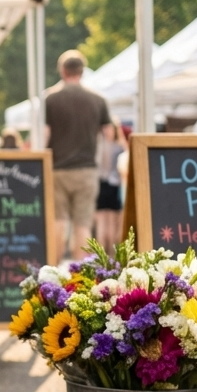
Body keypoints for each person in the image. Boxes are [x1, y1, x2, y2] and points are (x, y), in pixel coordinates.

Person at [44, 49, 114, 260]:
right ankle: (79, 275)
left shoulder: (51, 98)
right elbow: (109, 134)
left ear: (63, 71)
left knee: (59, 221)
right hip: (86, 169)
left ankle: (53, 271)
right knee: (83, 224)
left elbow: (44, 135)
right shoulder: (98, 99)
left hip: (58, 169)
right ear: (82, 71)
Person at [94, 120, 128, 255]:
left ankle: (108, 255)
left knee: (110, 224)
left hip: (110, 186)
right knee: (104, 224)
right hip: (107, 185)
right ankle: (106, 255)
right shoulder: (114, 146)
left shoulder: (104, 146)